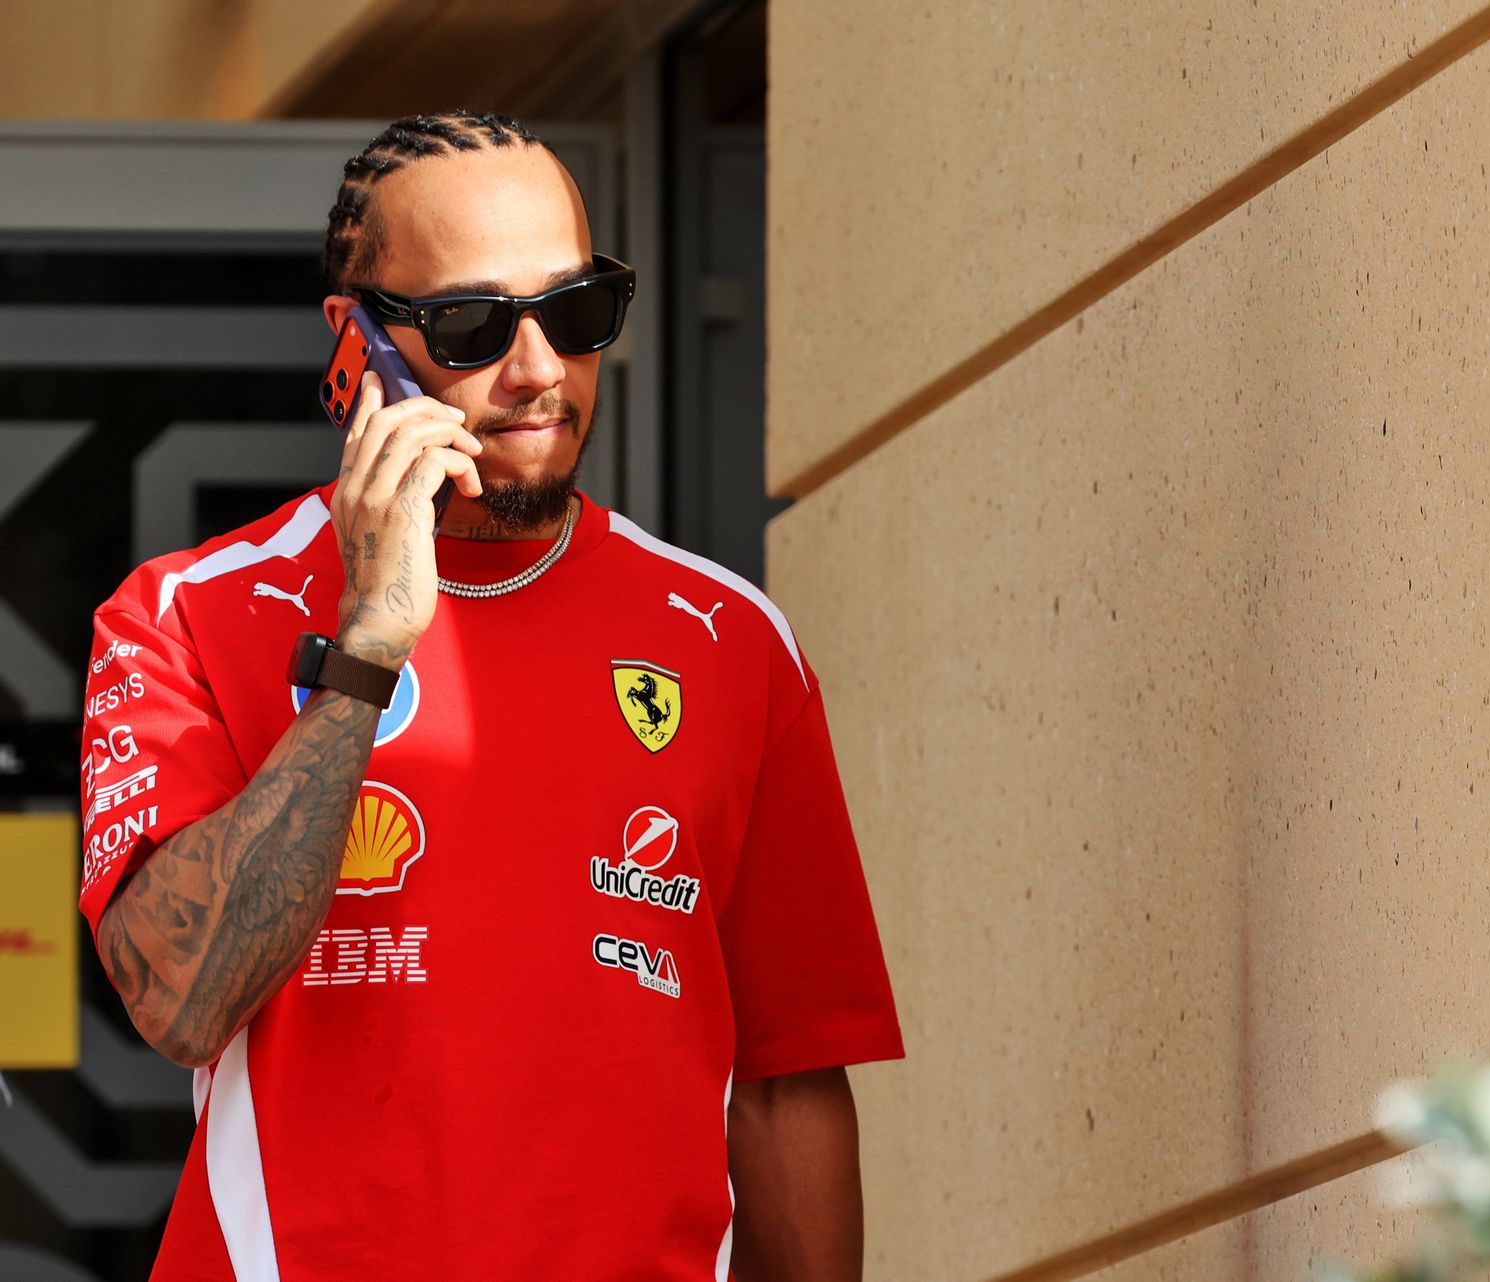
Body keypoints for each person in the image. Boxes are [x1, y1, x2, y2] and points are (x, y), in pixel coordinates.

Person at [76, 110, 903, 1281]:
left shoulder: (732, 641)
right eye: (474, 325)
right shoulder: (185, 613)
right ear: (356, 342)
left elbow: (787, 1081)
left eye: (577, 313)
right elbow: (182, 999)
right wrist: (369, 642)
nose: (540, 370)